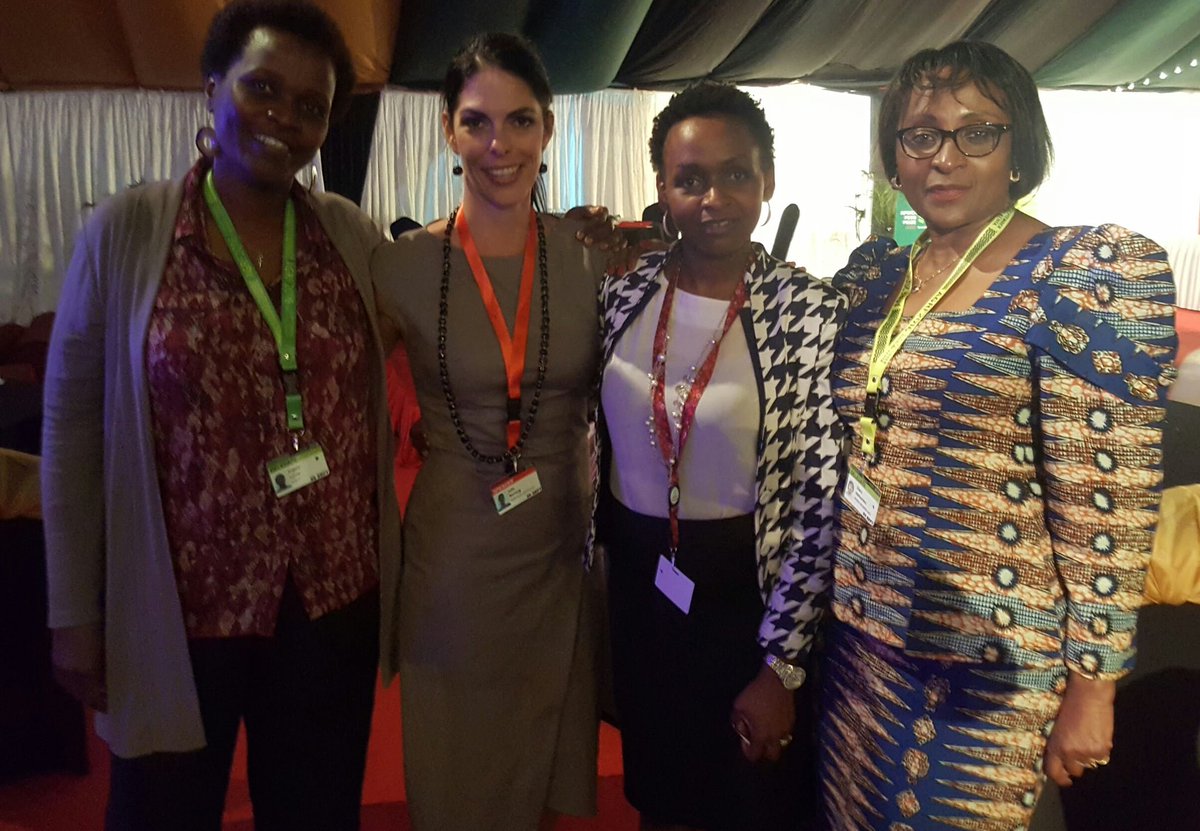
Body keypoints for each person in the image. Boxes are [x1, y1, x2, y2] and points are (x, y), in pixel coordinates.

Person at [41, 2, 399, 828]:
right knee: (159, 811)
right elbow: (69, 427)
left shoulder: (347, 236)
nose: (284, 118)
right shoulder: (129, 231)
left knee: (315, 814)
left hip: (329, 593)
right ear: (212, 87)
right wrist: (73, 610)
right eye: (261, 88)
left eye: (311, 106)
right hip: (177, 601)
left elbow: (436, 308)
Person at [819, 40, 1177, 830]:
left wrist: (1094, 684)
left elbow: (1105, 503)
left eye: (976, 132)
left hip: (986, 668)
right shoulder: (879, 275)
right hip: (861, 645)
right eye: (920, 135)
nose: (944, 158)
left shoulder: (1075, 275)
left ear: (1019, 149)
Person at [371, 33, 609, 831]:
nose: (498, 145)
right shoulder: (401, 265)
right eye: (476, 122)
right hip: (456, 560)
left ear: (548, 128)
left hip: (560, 550)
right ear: (448, 129)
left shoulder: (590, 255)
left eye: (520, 120)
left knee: (544, 757)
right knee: (462, 770)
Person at [598, 81, 845, 830]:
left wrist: (781, 666)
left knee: (749, 801)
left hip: (746, 600)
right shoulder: (625, 293)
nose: (714, 198)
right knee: (662, 794)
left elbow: (818, 504)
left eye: (736, 174)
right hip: (642, 587)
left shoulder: (807, 312)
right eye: (691, 179)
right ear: (662, 190)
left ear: (767, 180)